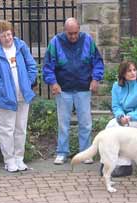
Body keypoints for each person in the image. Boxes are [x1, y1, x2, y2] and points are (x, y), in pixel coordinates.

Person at [42, 17, 104, 165]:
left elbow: (97, 61)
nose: (73, 36)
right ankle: (62, 152)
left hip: (84, 87)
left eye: (76, 33)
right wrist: (53, 82)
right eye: (70, 34)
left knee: (86, 123)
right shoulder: (55, 42)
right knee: (63, 123)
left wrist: (96, 79)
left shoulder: (88, 40)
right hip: (63, 89)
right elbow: (47, 66)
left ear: (79, 30)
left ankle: (85, 153)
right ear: (65, 31)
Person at [0, 20, 37, 172]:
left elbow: (32, 66)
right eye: (3, 36)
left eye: (9, 34)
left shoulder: (21, 47)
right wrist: (4, 91)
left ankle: (19, 158)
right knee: (7, 130)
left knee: (21, 128)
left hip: (23, 96)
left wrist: (27, 83)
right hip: (4, 99)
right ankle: (9, 160)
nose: (7, 38)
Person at [101, 60, 137, 177]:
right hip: (124, 118)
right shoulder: (116, 86)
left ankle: (125, 166)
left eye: (134, 70)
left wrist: (129, 117)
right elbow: (116, 106)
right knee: (110, 126)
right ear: (123, 73)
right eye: (129, 71)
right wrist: (120, 116)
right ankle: (106, 162)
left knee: (121, 131)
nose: (133, 73)